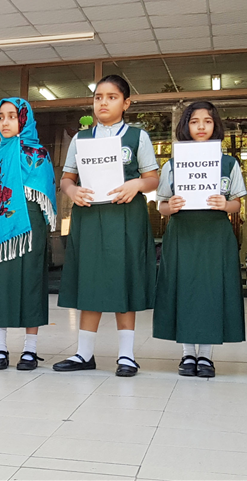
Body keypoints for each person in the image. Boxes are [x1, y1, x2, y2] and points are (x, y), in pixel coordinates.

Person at [52, 75, 159, 377]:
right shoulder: (81, 139)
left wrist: (137, 184)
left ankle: (126, 356)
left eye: (112, 97)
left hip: (125, 218)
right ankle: (84, 354)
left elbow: (153, 178)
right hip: (89, 217)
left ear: (126, 103)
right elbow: (67, 179)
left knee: (124, 280)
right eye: (98, 97)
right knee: (90, 280)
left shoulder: (137, 137)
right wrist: (72, 191)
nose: (103, 102)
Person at [153, 102, 246, 378]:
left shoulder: (229, 163)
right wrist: (171, 206)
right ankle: (187, 354)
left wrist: (225, 205)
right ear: (186, 126)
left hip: (215, 235)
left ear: (216, 125)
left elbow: (238, 204)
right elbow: (161, 206)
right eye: (194, 121)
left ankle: (205, 355)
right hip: (182, 234)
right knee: (182, 289)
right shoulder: (172, 164)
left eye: (207, 121)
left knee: (210, 291)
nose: (201, 126)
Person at [0, 99, 57, 371]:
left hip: (31, 226)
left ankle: (30, 351)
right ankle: (0, 348)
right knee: (1, 285)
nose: (5, 122)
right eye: (1, 117)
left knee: (32, 284)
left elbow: (45, 192)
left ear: (24, 119)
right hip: (1, 229)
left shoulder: (39, 153)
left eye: (12, 116)